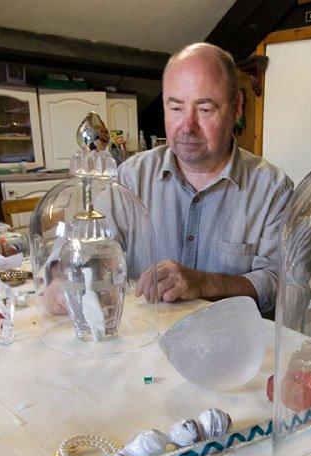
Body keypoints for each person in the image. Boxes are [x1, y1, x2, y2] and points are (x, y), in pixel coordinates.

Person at [120, 42, 293, 314]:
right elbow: (92, 249)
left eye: (205, 109)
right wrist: (64, 273)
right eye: (176, 108)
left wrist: (203, 283)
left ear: (237, 107)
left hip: (233, 348)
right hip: (145, 344)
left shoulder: (273, 189)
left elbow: (279, 285)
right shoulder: (131, 177)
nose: (187, 126)